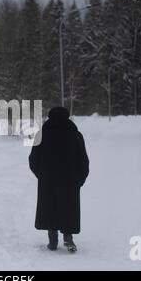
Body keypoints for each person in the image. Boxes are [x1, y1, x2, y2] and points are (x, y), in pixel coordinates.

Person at [29, 107, 89, 252]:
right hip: (70, 181)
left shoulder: (41, 134)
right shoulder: (75, 135)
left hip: (48, 180)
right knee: (68, 207)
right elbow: (84, 161)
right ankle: (68, 238)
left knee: (50, 207)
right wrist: (79, 180)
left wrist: (42, 175)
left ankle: (53, 239)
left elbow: (33, 160)